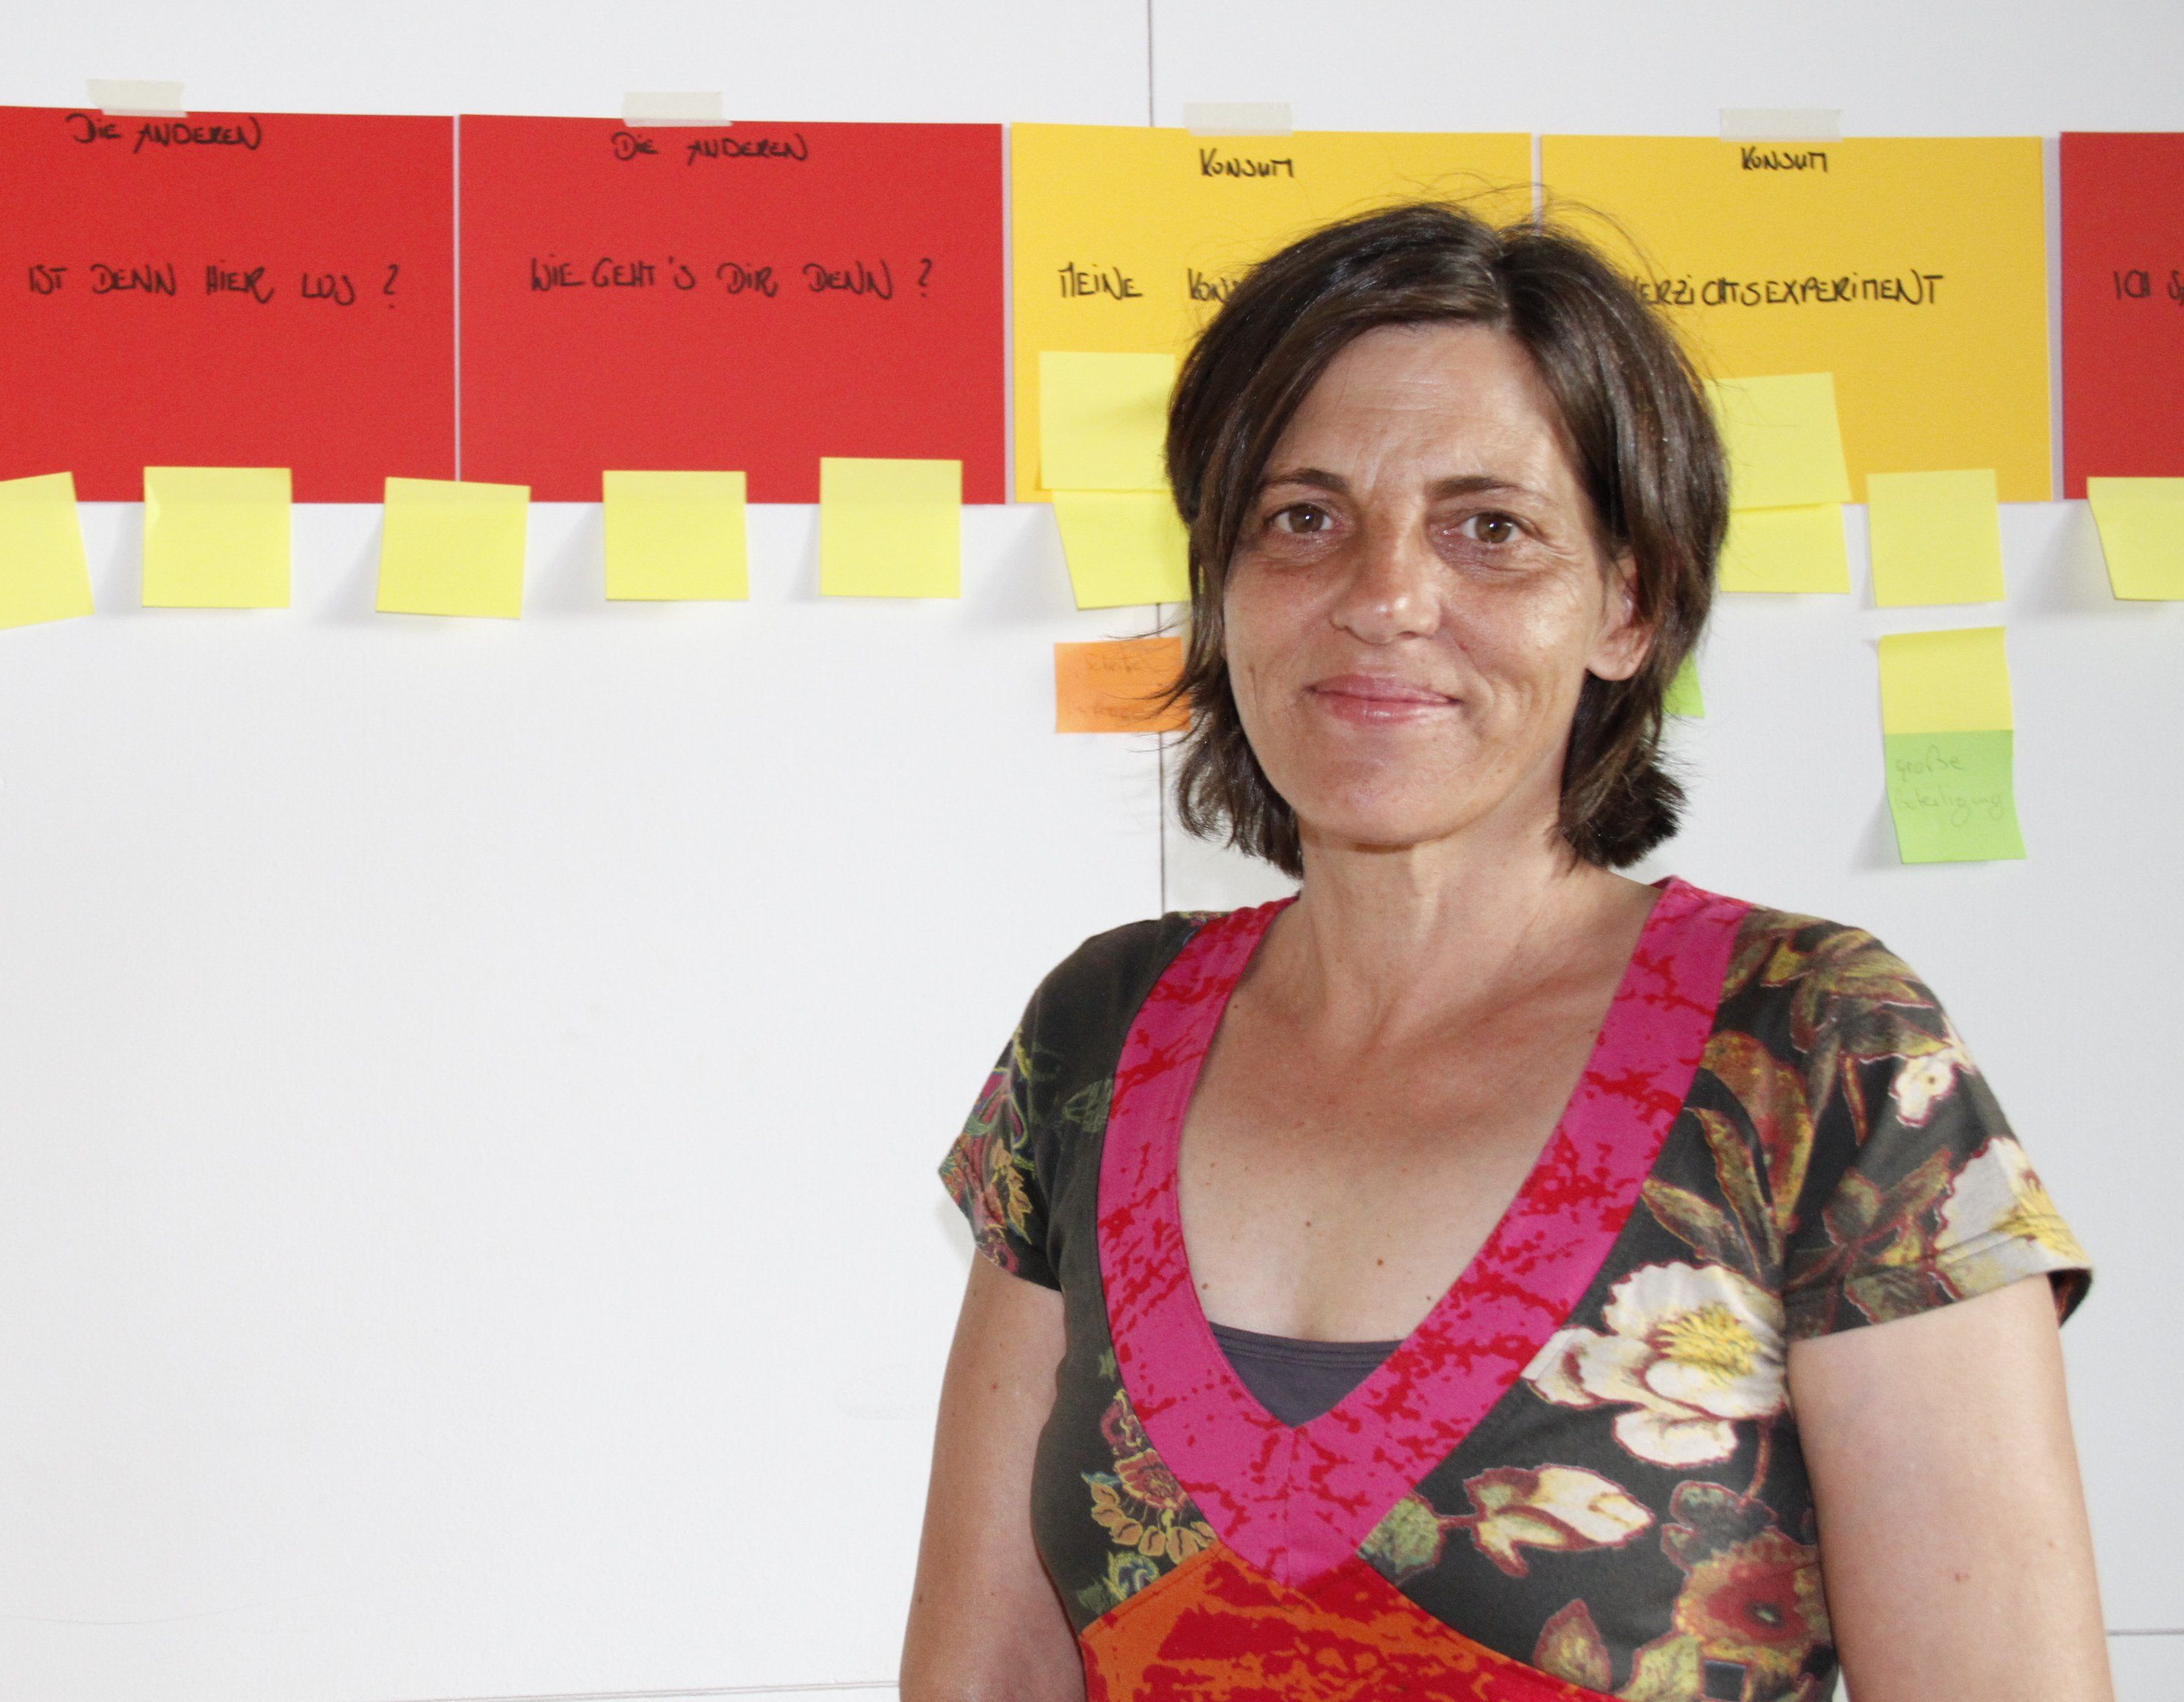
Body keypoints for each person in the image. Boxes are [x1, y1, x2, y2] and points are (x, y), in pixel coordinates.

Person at [901, 203, 2109, 1702]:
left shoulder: (1818, 1051)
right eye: (1303, 517)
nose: (1385, 598)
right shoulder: (1098, 1034)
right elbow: (986, 1674)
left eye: (1491, 529)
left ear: (1628, 605)